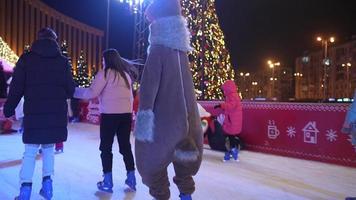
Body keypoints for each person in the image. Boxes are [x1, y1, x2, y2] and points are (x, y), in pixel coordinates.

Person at [134, 0, 203, 199]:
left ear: (158, 22)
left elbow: (148, 90)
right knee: (184, 165)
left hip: (164, 125)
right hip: (188, 125)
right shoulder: (181, 54)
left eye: (151, 19)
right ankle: (186, 196)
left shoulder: (157, 51)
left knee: (152, 165)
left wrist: (144, 126)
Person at [4, 27, 75, 200]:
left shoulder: (26, 59)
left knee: (30, 151)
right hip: (55, 113)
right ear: (55, 40)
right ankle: (47, 186)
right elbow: (70, 90)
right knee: (49, 150)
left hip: (34, 112)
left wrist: (9, 108)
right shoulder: (63, 61)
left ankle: (25, 190)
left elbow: (16, 87)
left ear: (38, 39)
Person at [74, 49, 136, 193]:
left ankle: (108, 181)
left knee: (106, 148)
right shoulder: (125, 75)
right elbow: (130, 97)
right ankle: (131, 178)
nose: (102, 62)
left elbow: (92, 93)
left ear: (107, 60)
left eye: (103, 60)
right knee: (125, 146)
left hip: (110, 115)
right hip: (125, 115)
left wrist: (73, 91)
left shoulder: (105, 74)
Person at [213, 80, 243, 162]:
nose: (224, 91)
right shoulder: (232, 95)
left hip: (232, 120)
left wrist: (221, 105)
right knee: (229, 136)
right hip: (231, 120)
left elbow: (231, 106)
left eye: (224, 89)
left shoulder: (232, 96)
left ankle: (232, 151)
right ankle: (230, 151)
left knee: (229, 136)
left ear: (228, 89)